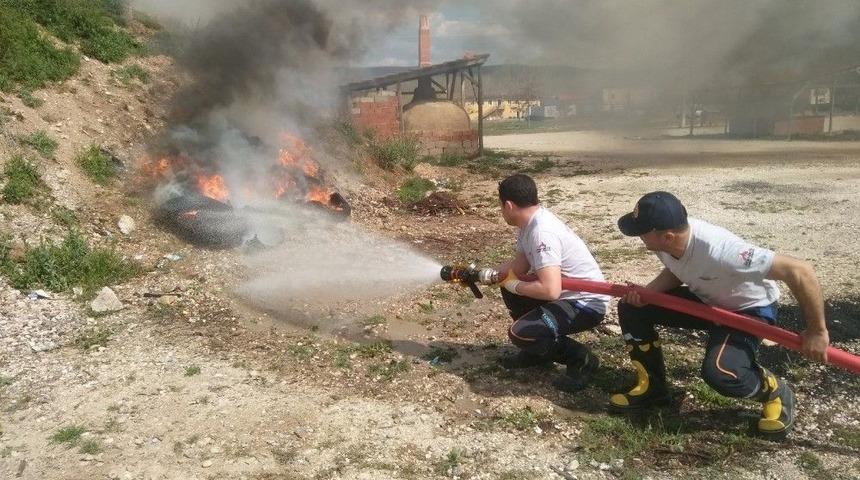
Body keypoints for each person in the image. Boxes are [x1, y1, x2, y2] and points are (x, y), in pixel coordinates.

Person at [610, 191, 829, 437]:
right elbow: (680, 269)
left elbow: (800, 271)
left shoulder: (724, 251)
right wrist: (647, 294)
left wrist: (817, 331)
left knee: (721, 373)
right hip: (709, 301)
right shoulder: (666, 243)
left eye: (642, 231)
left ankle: (774, 390)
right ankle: (654, 387)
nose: (638, 236)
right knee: (633, 307)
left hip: (749, 310)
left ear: (668, 236)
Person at [492, 174, 609, 392]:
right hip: (567, 296)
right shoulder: (528, 225)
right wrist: (489, 275)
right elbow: (518, 268)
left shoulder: (541, 231)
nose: (502, 211)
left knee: (520, 332)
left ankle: (581, 360)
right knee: (510, 289)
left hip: (585, 303)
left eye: (500, 206)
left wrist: (513, 285)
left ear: (508, 205)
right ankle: (537, 352)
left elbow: (550, 290)